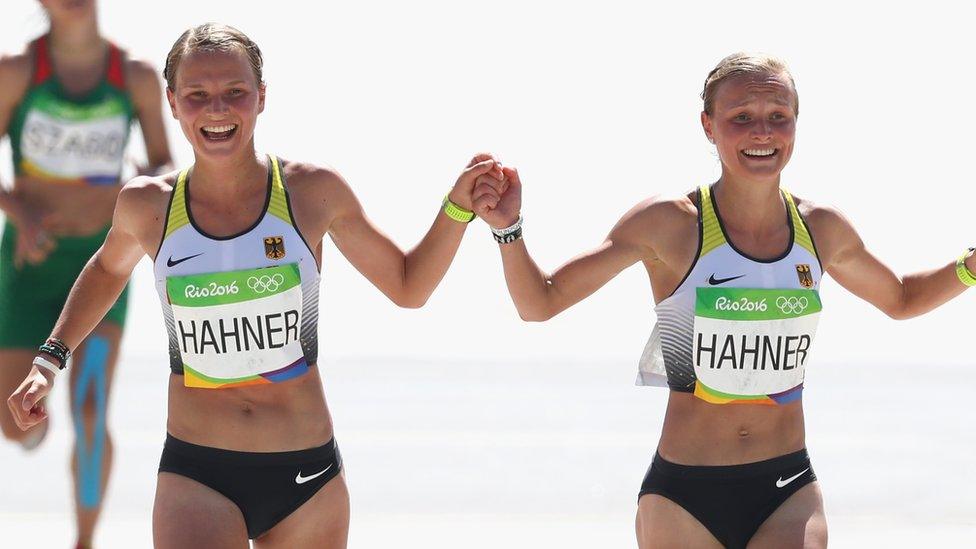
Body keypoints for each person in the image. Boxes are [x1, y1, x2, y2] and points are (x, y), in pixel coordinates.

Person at [7, 22, 502, 548]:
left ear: (261, 97)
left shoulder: (312, 192)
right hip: (197, 473)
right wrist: (49, 361)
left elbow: (408, 286)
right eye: (197, 95)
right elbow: (107, 270)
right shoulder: (148, 206)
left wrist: (457, 209)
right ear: (172, 103)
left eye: (235, 93)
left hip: (307, 479)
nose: (217, 109)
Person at [472, 52, 976, 549]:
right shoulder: (670, 225)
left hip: (788, 489)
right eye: (742, 118)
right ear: (708, 126)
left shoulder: (821, 229)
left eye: (778, 117)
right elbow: (540, 303)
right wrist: (508, 230)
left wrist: (970, 265)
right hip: (683, 496)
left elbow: (903, 298)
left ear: (796, 125)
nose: (762, 132)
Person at [0, 0, 172, 547]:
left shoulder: (136, 77)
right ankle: (35, 432)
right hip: (30, 266)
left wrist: (150, 179)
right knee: (14, 418)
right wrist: (17, 210)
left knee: (92, 408)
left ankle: (84, 543)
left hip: (103, 266)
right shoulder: (18, 73)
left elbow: (166, 163)